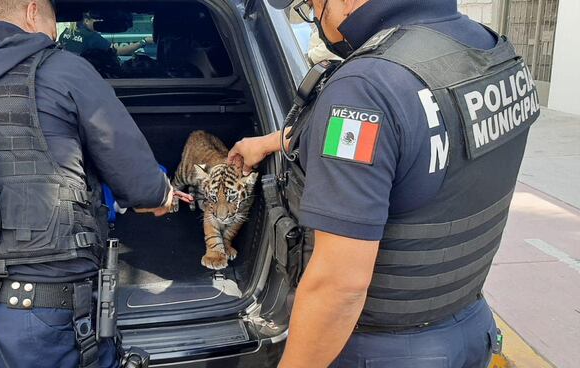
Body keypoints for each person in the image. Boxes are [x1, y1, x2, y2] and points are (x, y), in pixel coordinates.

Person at [228, 0, 540, 367]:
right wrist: (268, 142)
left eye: (312, 4)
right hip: (470, 329)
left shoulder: (365, 87)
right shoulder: (486, 48)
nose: (315, 17)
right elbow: (407, 136)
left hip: (381, 348)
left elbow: (339, 287)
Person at [0, 0, 191, 367]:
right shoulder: (65, 69)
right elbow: (140, 186)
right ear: (31, 11)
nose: (55, 33)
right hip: (48, 316)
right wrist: (162, 195)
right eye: (54, 20)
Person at [59, 12, 153, 57]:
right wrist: (143, 42)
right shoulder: (92, 37)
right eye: (97, 19)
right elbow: (119, 51)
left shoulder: (66, 32)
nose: (100, 21)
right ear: (86, 21)